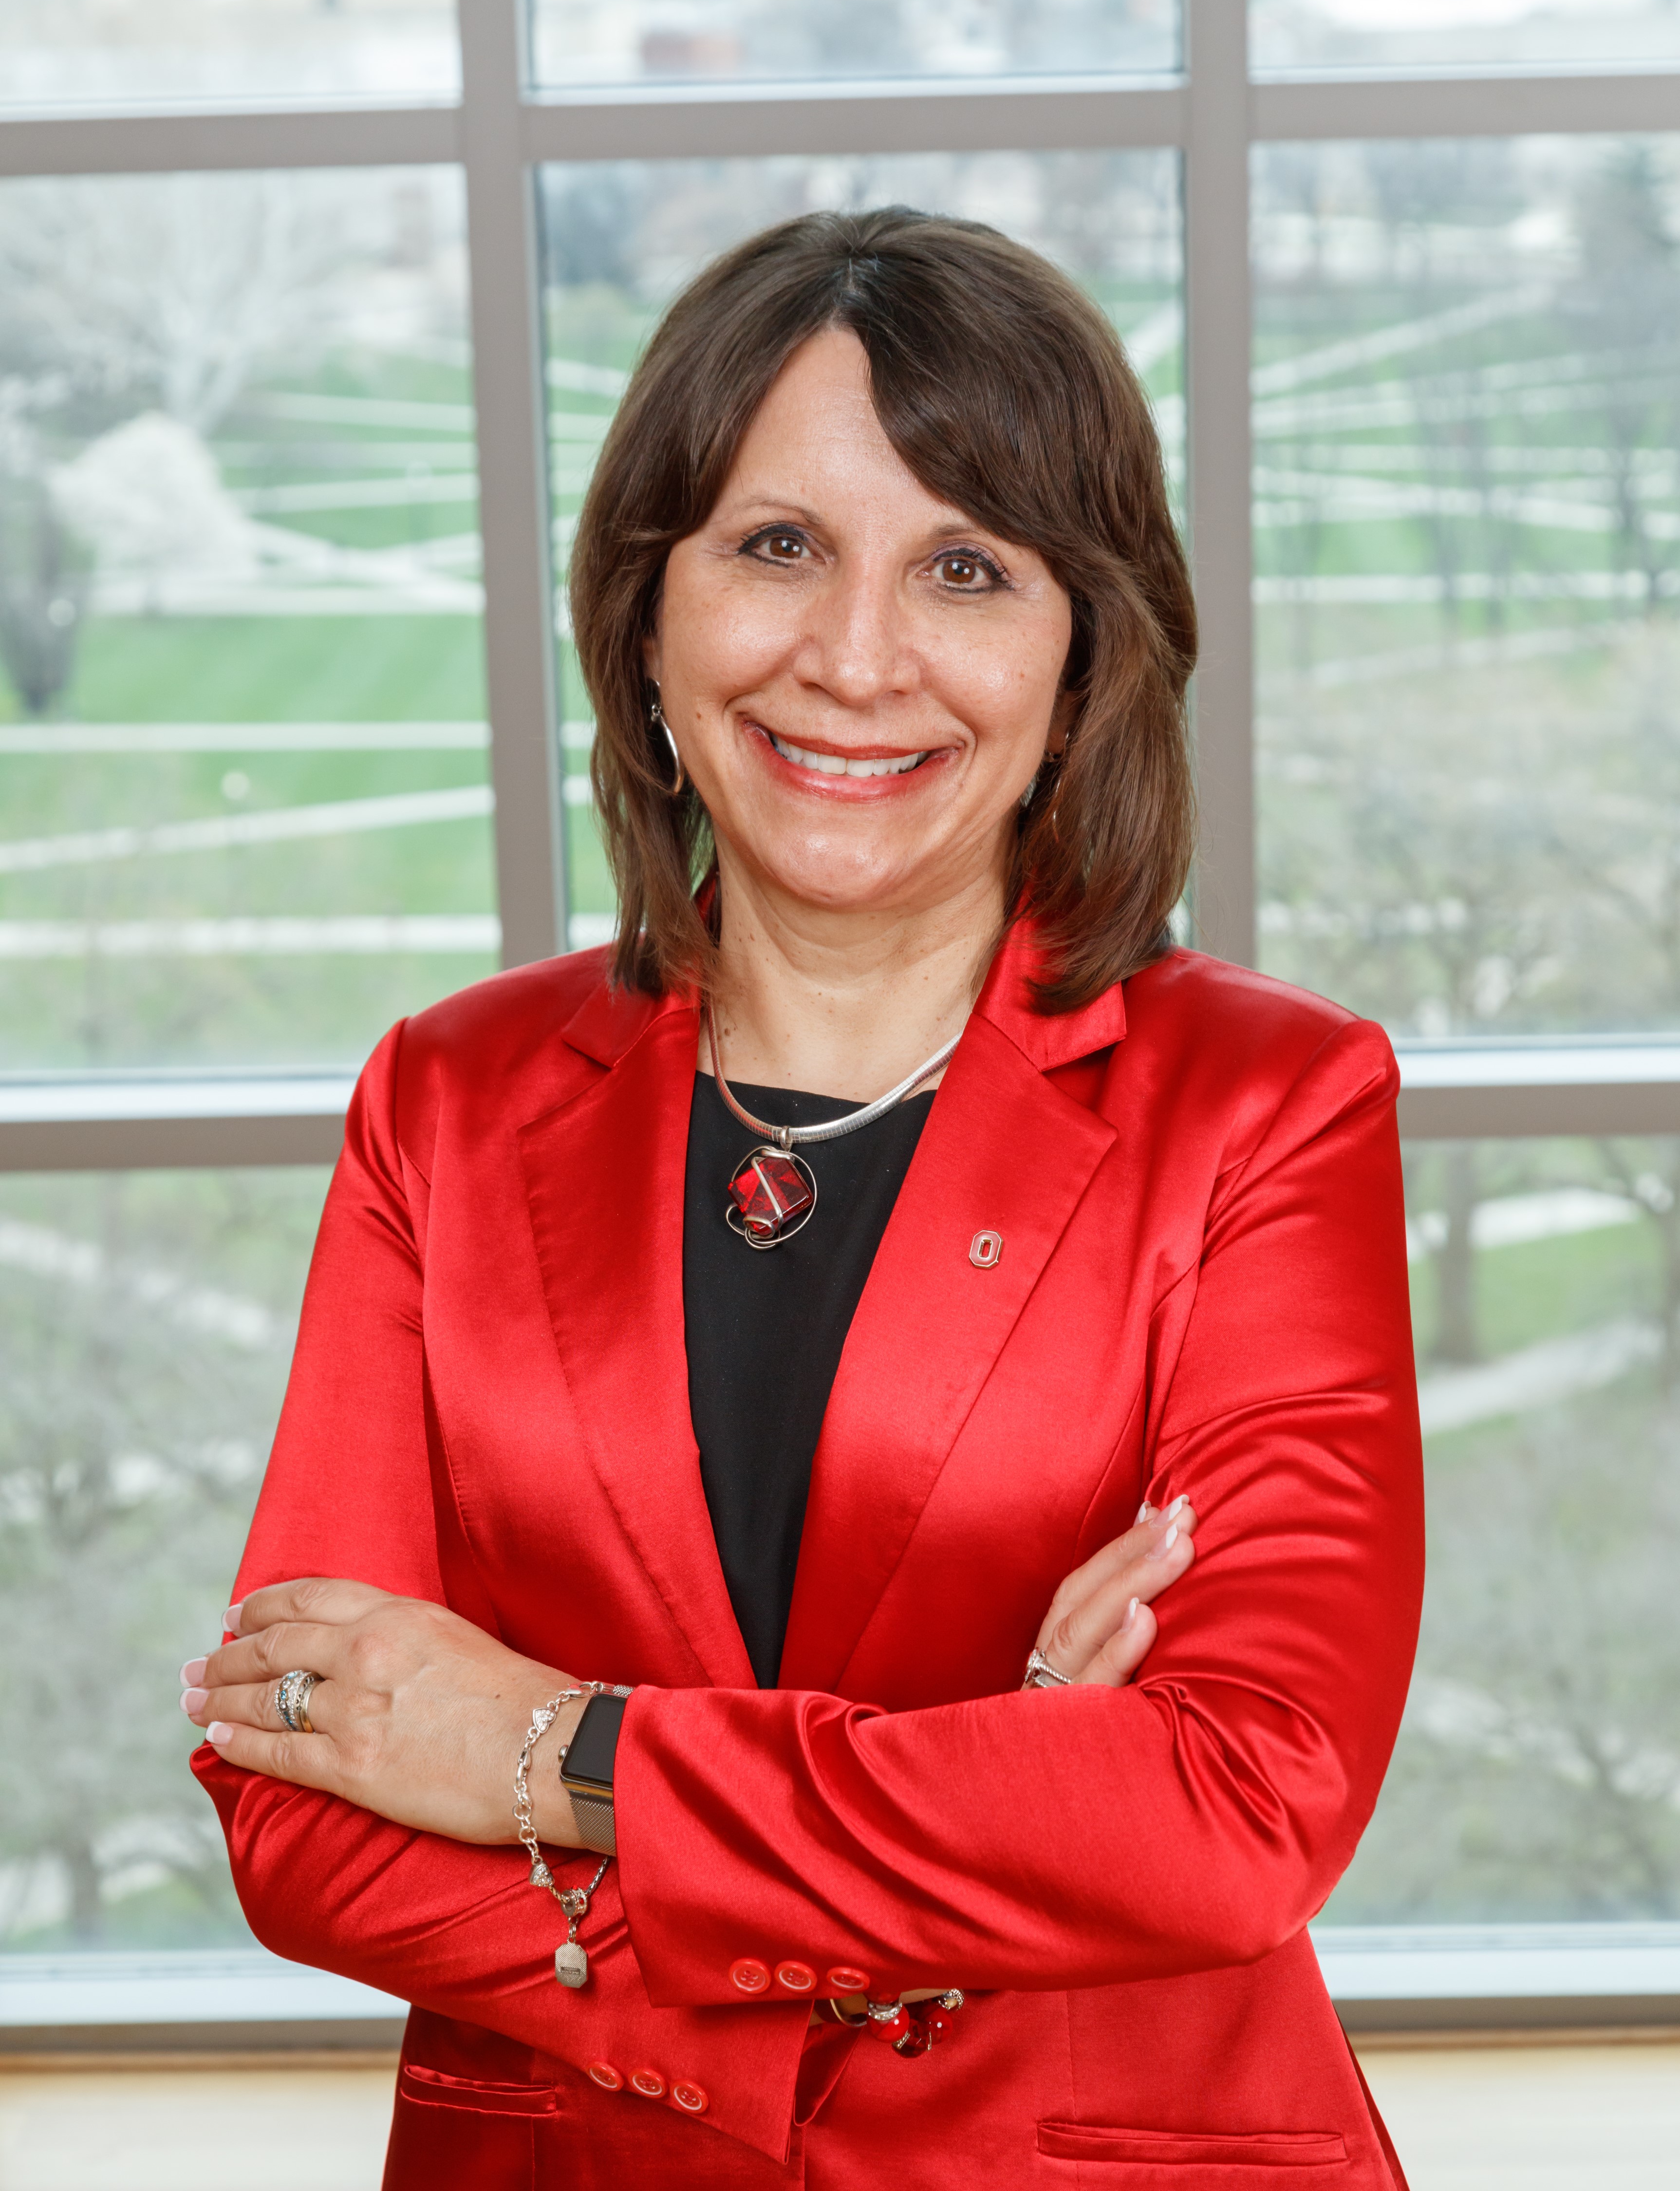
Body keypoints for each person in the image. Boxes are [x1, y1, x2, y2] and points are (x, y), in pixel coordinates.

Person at [183, 207, 1423, 2190]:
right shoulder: (449, 1096)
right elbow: (306, 1782)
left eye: (964, 565)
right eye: (776, 547)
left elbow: (1228, 1795)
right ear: (646, 615)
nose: (856, 656)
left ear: (1081, 645)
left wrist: (555, 1753)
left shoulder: (1266, 1106)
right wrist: (963, 1843)